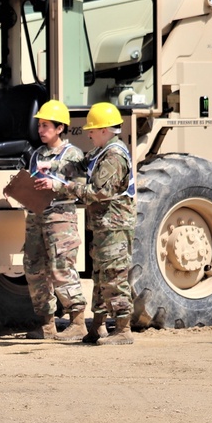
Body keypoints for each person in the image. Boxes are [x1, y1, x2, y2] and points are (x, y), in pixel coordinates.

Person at [38, 102, 136, 345]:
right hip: (104, 226)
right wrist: (52, 165)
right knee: (100, 277)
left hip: (114, 227)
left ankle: (123, 329)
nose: (88, 133)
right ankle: (98, 326)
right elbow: (80, 165)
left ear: (104, 130)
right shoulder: (102, 151)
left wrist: (61, 185)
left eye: (92, 130)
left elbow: (98, 192)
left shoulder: (113, 155)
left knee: (114, 277)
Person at [22, 100, 89, 342]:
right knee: (34, 269)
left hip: (60, 219)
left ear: (60, 128)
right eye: (39, 125)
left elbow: (81, 188)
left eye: (46, 125)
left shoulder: (72, 155)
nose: (41, 130)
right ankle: (47, 324)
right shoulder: (37, 154)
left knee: (62, 269)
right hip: (36, 218)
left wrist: (55, 185)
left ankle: (78, 321)